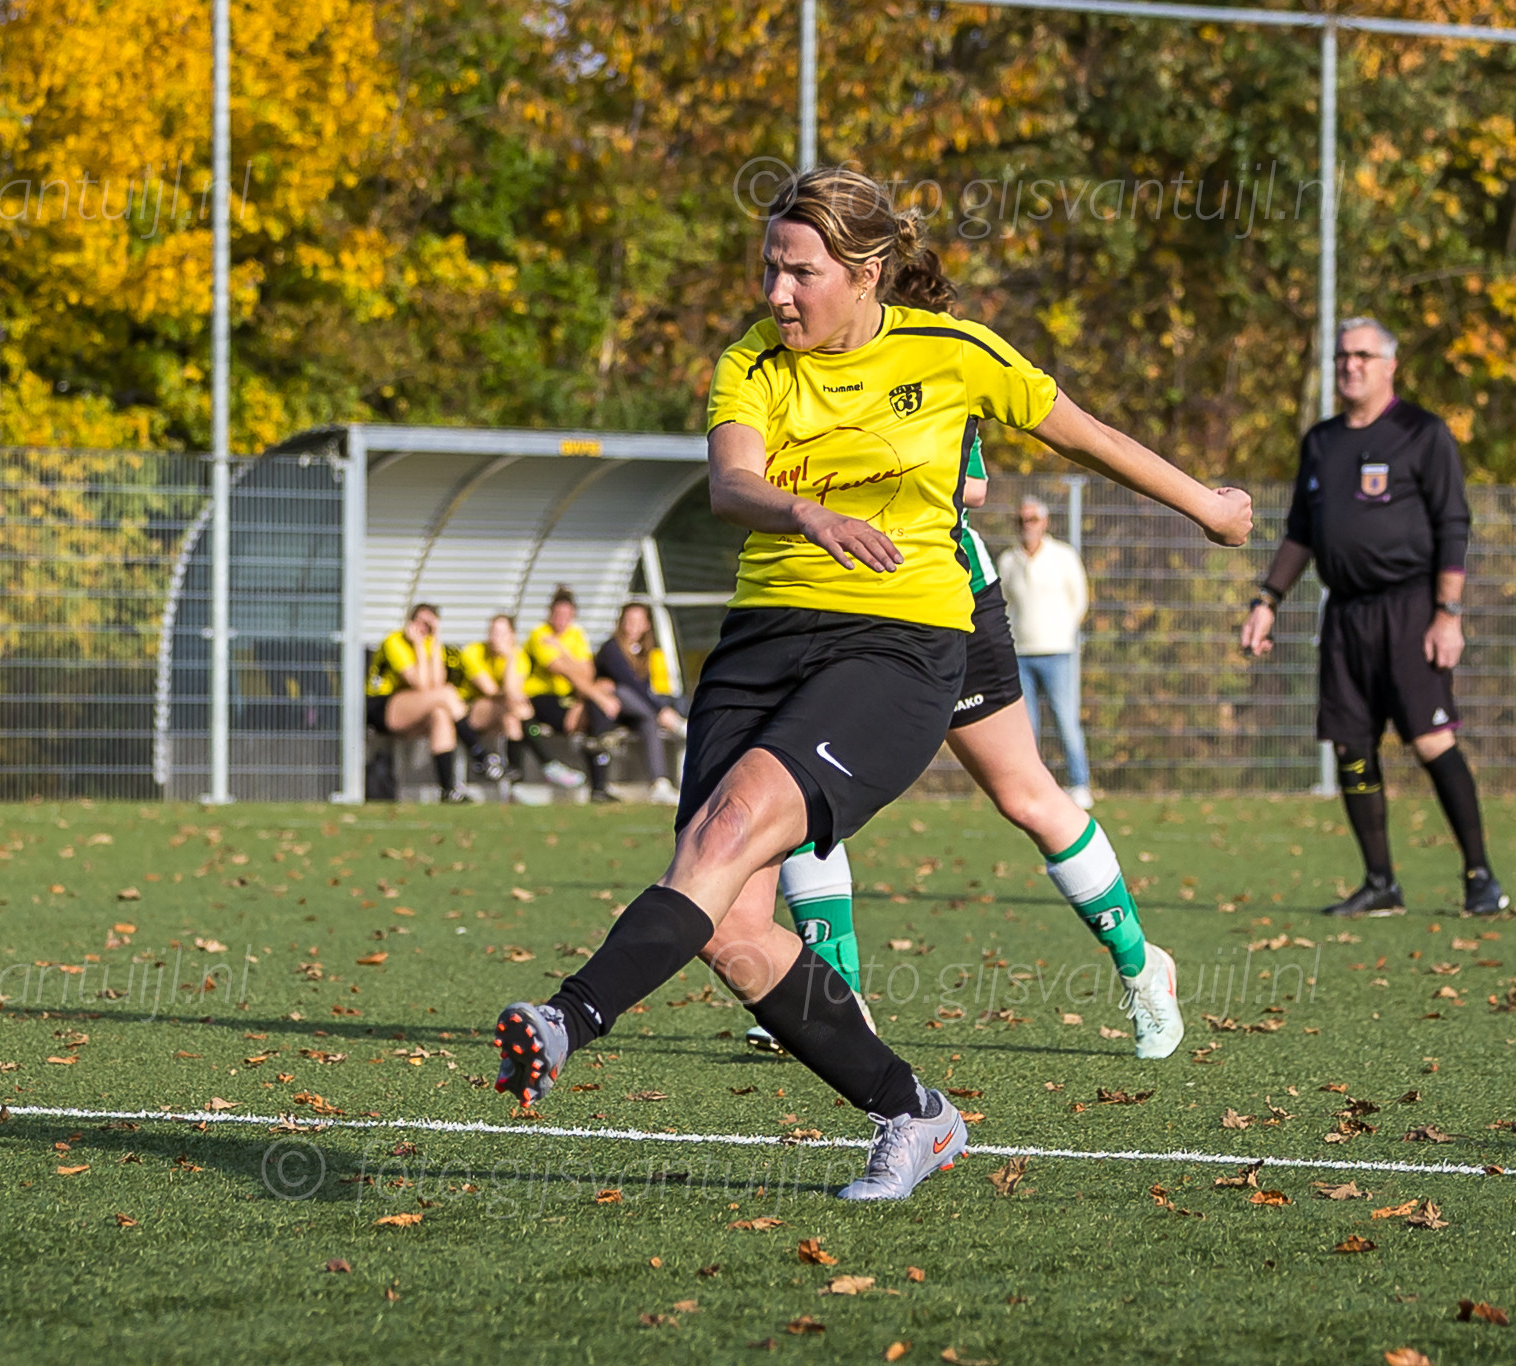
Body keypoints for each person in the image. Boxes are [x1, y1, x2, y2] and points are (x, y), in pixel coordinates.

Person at [489, 164, 1250, 1203]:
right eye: (768, 268)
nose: (776, 292)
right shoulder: (751, 362)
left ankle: (564, 1019)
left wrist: (1207, 506)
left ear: (865, 272)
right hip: (760, 640)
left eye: (798, 272)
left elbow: (1087, 435)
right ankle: (915, 1113)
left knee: (744, 825)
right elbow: (731, 482)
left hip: (898, 641)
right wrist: (805, 513)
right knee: (732, 927)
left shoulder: (953, 352)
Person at [746, 428, 1182, 1062]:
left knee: (1025, 796)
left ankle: (1143, 967)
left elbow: (972, 485)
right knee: (803, 787)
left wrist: (854, 473)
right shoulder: (784, 381)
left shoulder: (933, 369)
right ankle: (835, 992)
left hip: (949, 603)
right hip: (833, 602)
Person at [1240, 316, 1504, 917]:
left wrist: (1448, 614)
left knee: (1432, 739)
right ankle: (1380, 883)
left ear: (1390, 365)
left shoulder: (1422, 433)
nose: (1350, 366)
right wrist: (1267, 601)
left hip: (1411, 608)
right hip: (1344, 615)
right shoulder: (1321, 441)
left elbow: (1453, 525)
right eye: (1342, 356)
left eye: (1362, 355)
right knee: (1351, 747)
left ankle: (1480, 877)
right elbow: (1302, 533)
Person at [996, 497, 1093, 808]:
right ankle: (1032, 788)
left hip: (1058, 652)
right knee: (1026, 728)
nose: (1027, 525)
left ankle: (1079, 783)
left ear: (1045, 522)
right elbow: (1003, 604)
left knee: (1066, 720)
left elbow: (1079, 599)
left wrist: (1063, 632)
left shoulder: (1063, 556)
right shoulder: (1008, 560)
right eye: (1022, 520)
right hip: (1020, 653)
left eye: (1033, 519)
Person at [364, 602, 478, 804]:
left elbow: (436, 683)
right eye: (420, 622)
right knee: (447, 694)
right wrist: (418, 645)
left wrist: (434, 642)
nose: (423, 629)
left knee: (440, 714)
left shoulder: (431, 645)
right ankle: (479, 752)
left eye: (429, 625)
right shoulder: (395, 641)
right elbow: (421, 685)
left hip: (413, 706)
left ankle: (448, 789)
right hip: (381, 705)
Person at [521, 587, 621, 800]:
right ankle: (598, 780)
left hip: (571, 697)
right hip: (541, 698)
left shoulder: (576, 635)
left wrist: (562, 651)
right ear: (550, 613)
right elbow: (562, 670)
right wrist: (596, 695)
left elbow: (588, 672)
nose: (561, 619)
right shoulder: (540, 634)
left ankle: (599, 786)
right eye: (557, 614)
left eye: (566, 615)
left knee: (597, 705)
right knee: (597, 706)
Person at [595, 601, 687, 804]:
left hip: (638, 712)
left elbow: (644, 689)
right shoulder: (611, 649)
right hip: (611, 711)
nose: (632, 626)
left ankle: (660, 784)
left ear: (646, 625)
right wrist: (661, 710)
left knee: (649, 722)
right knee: (623, 691)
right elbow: (628, 683)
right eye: (629, 621)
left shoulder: (645, 652)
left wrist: (658, 710)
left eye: (638, 621)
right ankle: (676, 724)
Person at [454, 615, 526, 782]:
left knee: (512, 715)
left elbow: (512, 690)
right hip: (467, 712)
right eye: (493, 632)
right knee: (516, 709)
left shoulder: (518, 656)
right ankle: (541, 763)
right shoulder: (474, 651)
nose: (495, 638)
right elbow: (490, 690)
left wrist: (510, 658)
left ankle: (514, 777)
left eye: (501, 634)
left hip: (504, 711)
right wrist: (512, 695)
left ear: (512, 636)